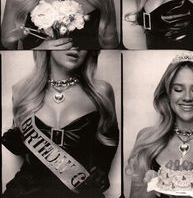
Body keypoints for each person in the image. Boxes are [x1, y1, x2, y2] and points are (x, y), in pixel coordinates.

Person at [2, 50, 119, 198]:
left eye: (83, 41)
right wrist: (16, 143)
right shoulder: (22, 91)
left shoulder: (101, 91)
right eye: (66, 39)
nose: (75, 47)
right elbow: (21, 144)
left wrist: (103, 169)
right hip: (26, 191)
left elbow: (110, 136)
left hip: (79, 190)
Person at [126, 53, 193, 198]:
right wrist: (151, 186)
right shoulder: (147, 137)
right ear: (167, 94)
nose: (187, 97)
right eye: (178, 89)